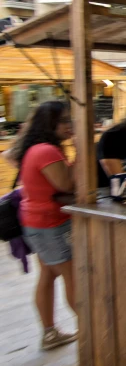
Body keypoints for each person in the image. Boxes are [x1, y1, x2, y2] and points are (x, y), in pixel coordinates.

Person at [14, 101, 78, 350]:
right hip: (51, 224)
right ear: (48, 123)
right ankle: (94, 332)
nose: (69, 126)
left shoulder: (35, 148)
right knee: (72, 278)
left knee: (48, 275)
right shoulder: (46, 150)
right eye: (64, 121)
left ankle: (49, 333)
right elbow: (67, 185)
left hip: (35, 222)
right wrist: (80, 153)